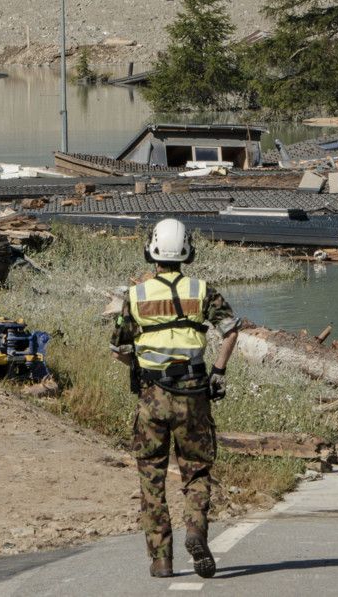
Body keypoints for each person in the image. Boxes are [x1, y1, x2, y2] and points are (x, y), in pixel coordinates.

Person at [109, 217, 240, 579]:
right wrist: (219, 371)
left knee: (151, 475)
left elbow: (118, 348)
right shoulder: (201, 290)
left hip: (152, 397)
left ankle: (161, 560)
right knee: (196, 471)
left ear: (152, 251)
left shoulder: (135, 296)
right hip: (194, 394)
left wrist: (137, 365)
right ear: (187, 252)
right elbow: (231, 331)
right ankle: (195, 530)